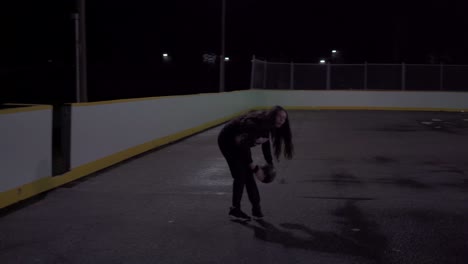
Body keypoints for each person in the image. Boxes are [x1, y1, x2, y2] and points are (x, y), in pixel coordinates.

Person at [217, 105, 294, 221]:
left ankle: (256, 210)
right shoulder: (254, 124)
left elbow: (266, 143)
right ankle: (235, 210)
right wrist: (254, 167)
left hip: (241, 144)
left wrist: (270, 163)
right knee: (240, 175)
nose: (282, 121)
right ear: (273, 115)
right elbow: (243, 145)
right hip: (227, 141)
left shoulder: (269, 125)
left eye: (284, 118)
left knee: (248, 176)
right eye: (280, 117)